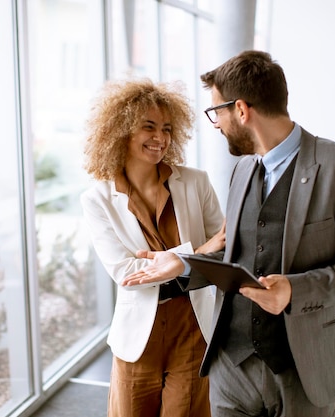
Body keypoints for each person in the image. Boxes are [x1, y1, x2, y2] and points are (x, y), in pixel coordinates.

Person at [122, 50, 335, 417]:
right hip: (231, 364)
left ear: (242, 110)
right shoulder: (243, 169)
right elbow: (236, 255)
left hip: (305, 369)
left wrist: (294, 290)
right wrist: (183, 264)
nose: (215, 123)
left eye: (217, 111)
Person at [80, 78, 226, 417]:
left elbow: (226, 248)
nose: (160, 138)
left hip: (192, 328)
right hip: (137, 338)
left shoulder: (195, 181)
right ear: (121, 130)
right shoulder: (98, 199)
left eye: (167, 129)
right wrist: (194, 255)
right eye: (149, 127)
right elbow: (125, 272)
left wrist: (179, 259)